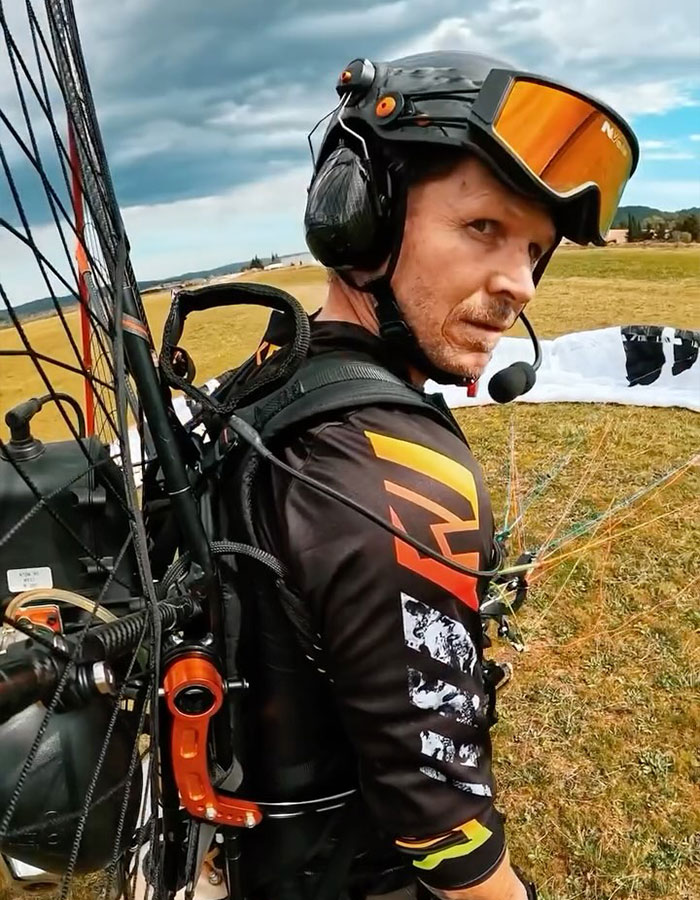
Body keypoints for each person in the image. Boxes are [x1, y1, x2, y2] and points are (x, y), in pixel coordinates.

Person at [234, 51, 638, 900]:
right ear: (361, 220)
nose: (519, 284)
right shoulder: (395, 472)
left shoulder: (273, 375)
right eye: (483, 228)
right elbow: (445, 834)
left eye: (535, 249)